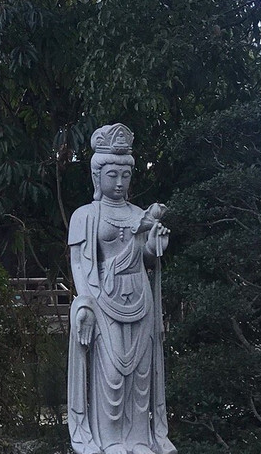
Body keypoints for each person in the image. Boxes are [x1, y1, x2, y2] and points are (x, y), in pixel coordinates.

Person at [68, 123, 175, 454]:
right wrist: (84, 304)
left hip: (139, 294)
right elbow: (80, 265)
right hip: (104, 298)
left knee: (140, 375)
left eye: (125, 176)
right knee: (112, 373)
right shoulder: (86, 215)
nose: (118, 182)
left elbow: (145, 257)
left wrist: (155, 245)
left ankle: (140, 439)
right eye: (111, 174)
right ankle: (111, 439)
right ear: (97, 177)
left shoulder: (138, 214)